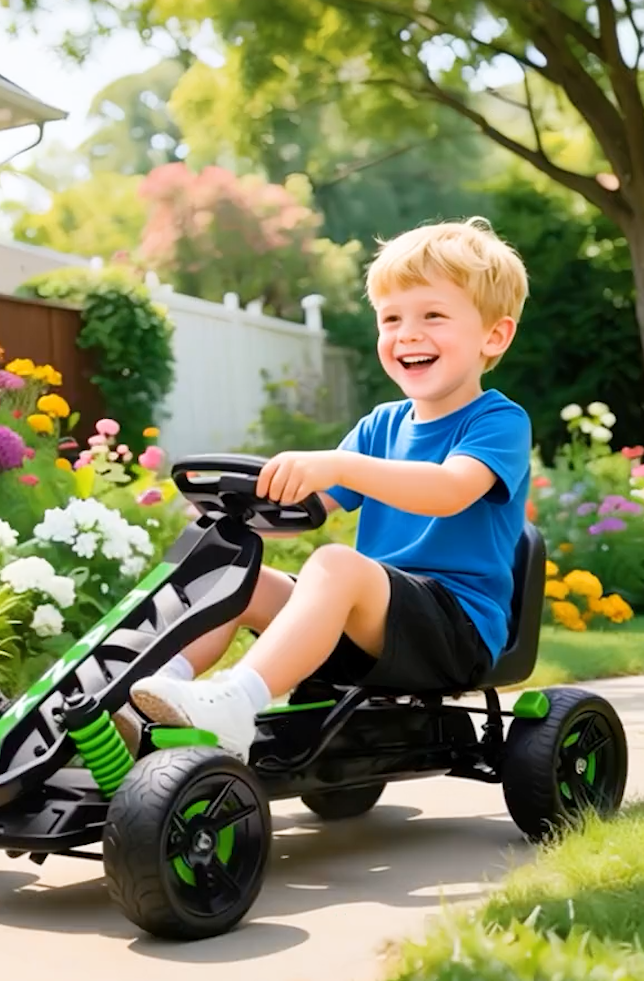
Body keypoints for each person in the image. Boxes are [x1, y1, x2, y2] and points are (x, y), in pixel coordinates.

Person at [120, 218, 534, 756]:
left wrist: (340, 466)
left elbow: (448, 490)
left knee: (336, 565)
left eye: (432, 315)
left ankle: (236, 704)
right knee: (238, 576)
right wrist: (244, 504)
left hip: (454, 631)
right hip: (371, 627)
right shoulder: (380, 425)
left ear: (493, 335)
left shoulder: (497, 421)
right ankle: (147, 694)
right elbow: (309, 508)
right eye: (391, 318)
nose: (407, 333)